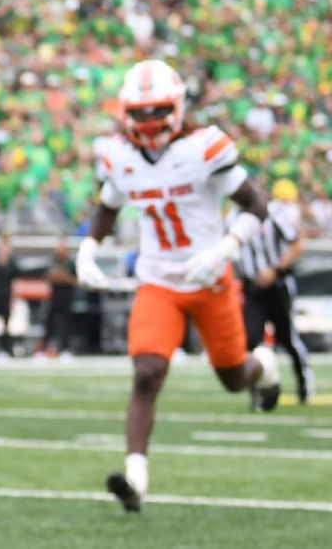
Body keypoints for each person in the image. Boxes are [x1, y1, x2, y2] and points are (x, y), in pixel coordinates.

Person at [75, 60, 280, 513]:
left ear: (178, 108)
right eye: (140, 112)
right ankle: (135, 478)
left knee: (232, 377)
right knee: (147, 372)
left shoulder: (203, 148)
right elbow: (108, 205)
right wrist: (88, 246)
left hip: (210, 278)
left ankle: (262, 367)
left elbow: (256, 204)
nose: (148, 123)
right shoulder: (118, 154)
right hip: (158, 281)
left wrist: (224, 249)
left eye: (157, 111)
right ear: (126, 112)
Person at [234, 196, 313, 406]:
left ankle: (304, 384)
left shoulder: (274, 212)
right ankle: (258, 391)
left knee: (287, 338)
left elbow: (297, 244)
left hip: (278, 284)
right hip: (251, 287)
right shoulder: (234, 216)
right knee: (251, 340)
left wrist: (275, 269)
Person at [40, 237, 77, 358]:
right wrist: (59, 277)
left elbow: (75, 280)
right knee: (49, 325)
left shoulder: (71, 264)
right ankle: (43, 350)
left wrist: (64, 277)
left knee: (66, 325)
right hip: (54, 298)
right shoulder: (52, 261)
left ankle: (66, 349)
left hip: (67, 298)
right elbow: (48, 277)